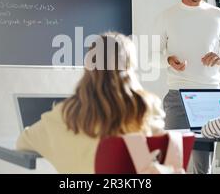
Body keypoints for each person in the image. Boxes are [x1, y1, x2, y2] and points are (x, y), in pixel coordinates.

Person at [16, 32, 165, 173]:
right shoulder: (148, 108)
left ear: (88, 66)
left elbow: (22, 142)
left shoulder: (62, 116)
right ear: (130, 66)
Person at [156, 0, 220, 173]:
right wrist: (167, 59)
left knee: (202, 167)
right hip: (177, 97)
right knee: (173, 165)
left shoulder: (218, 15)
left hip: (210, 97)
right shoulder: (167, 16)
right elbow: (151, 54)